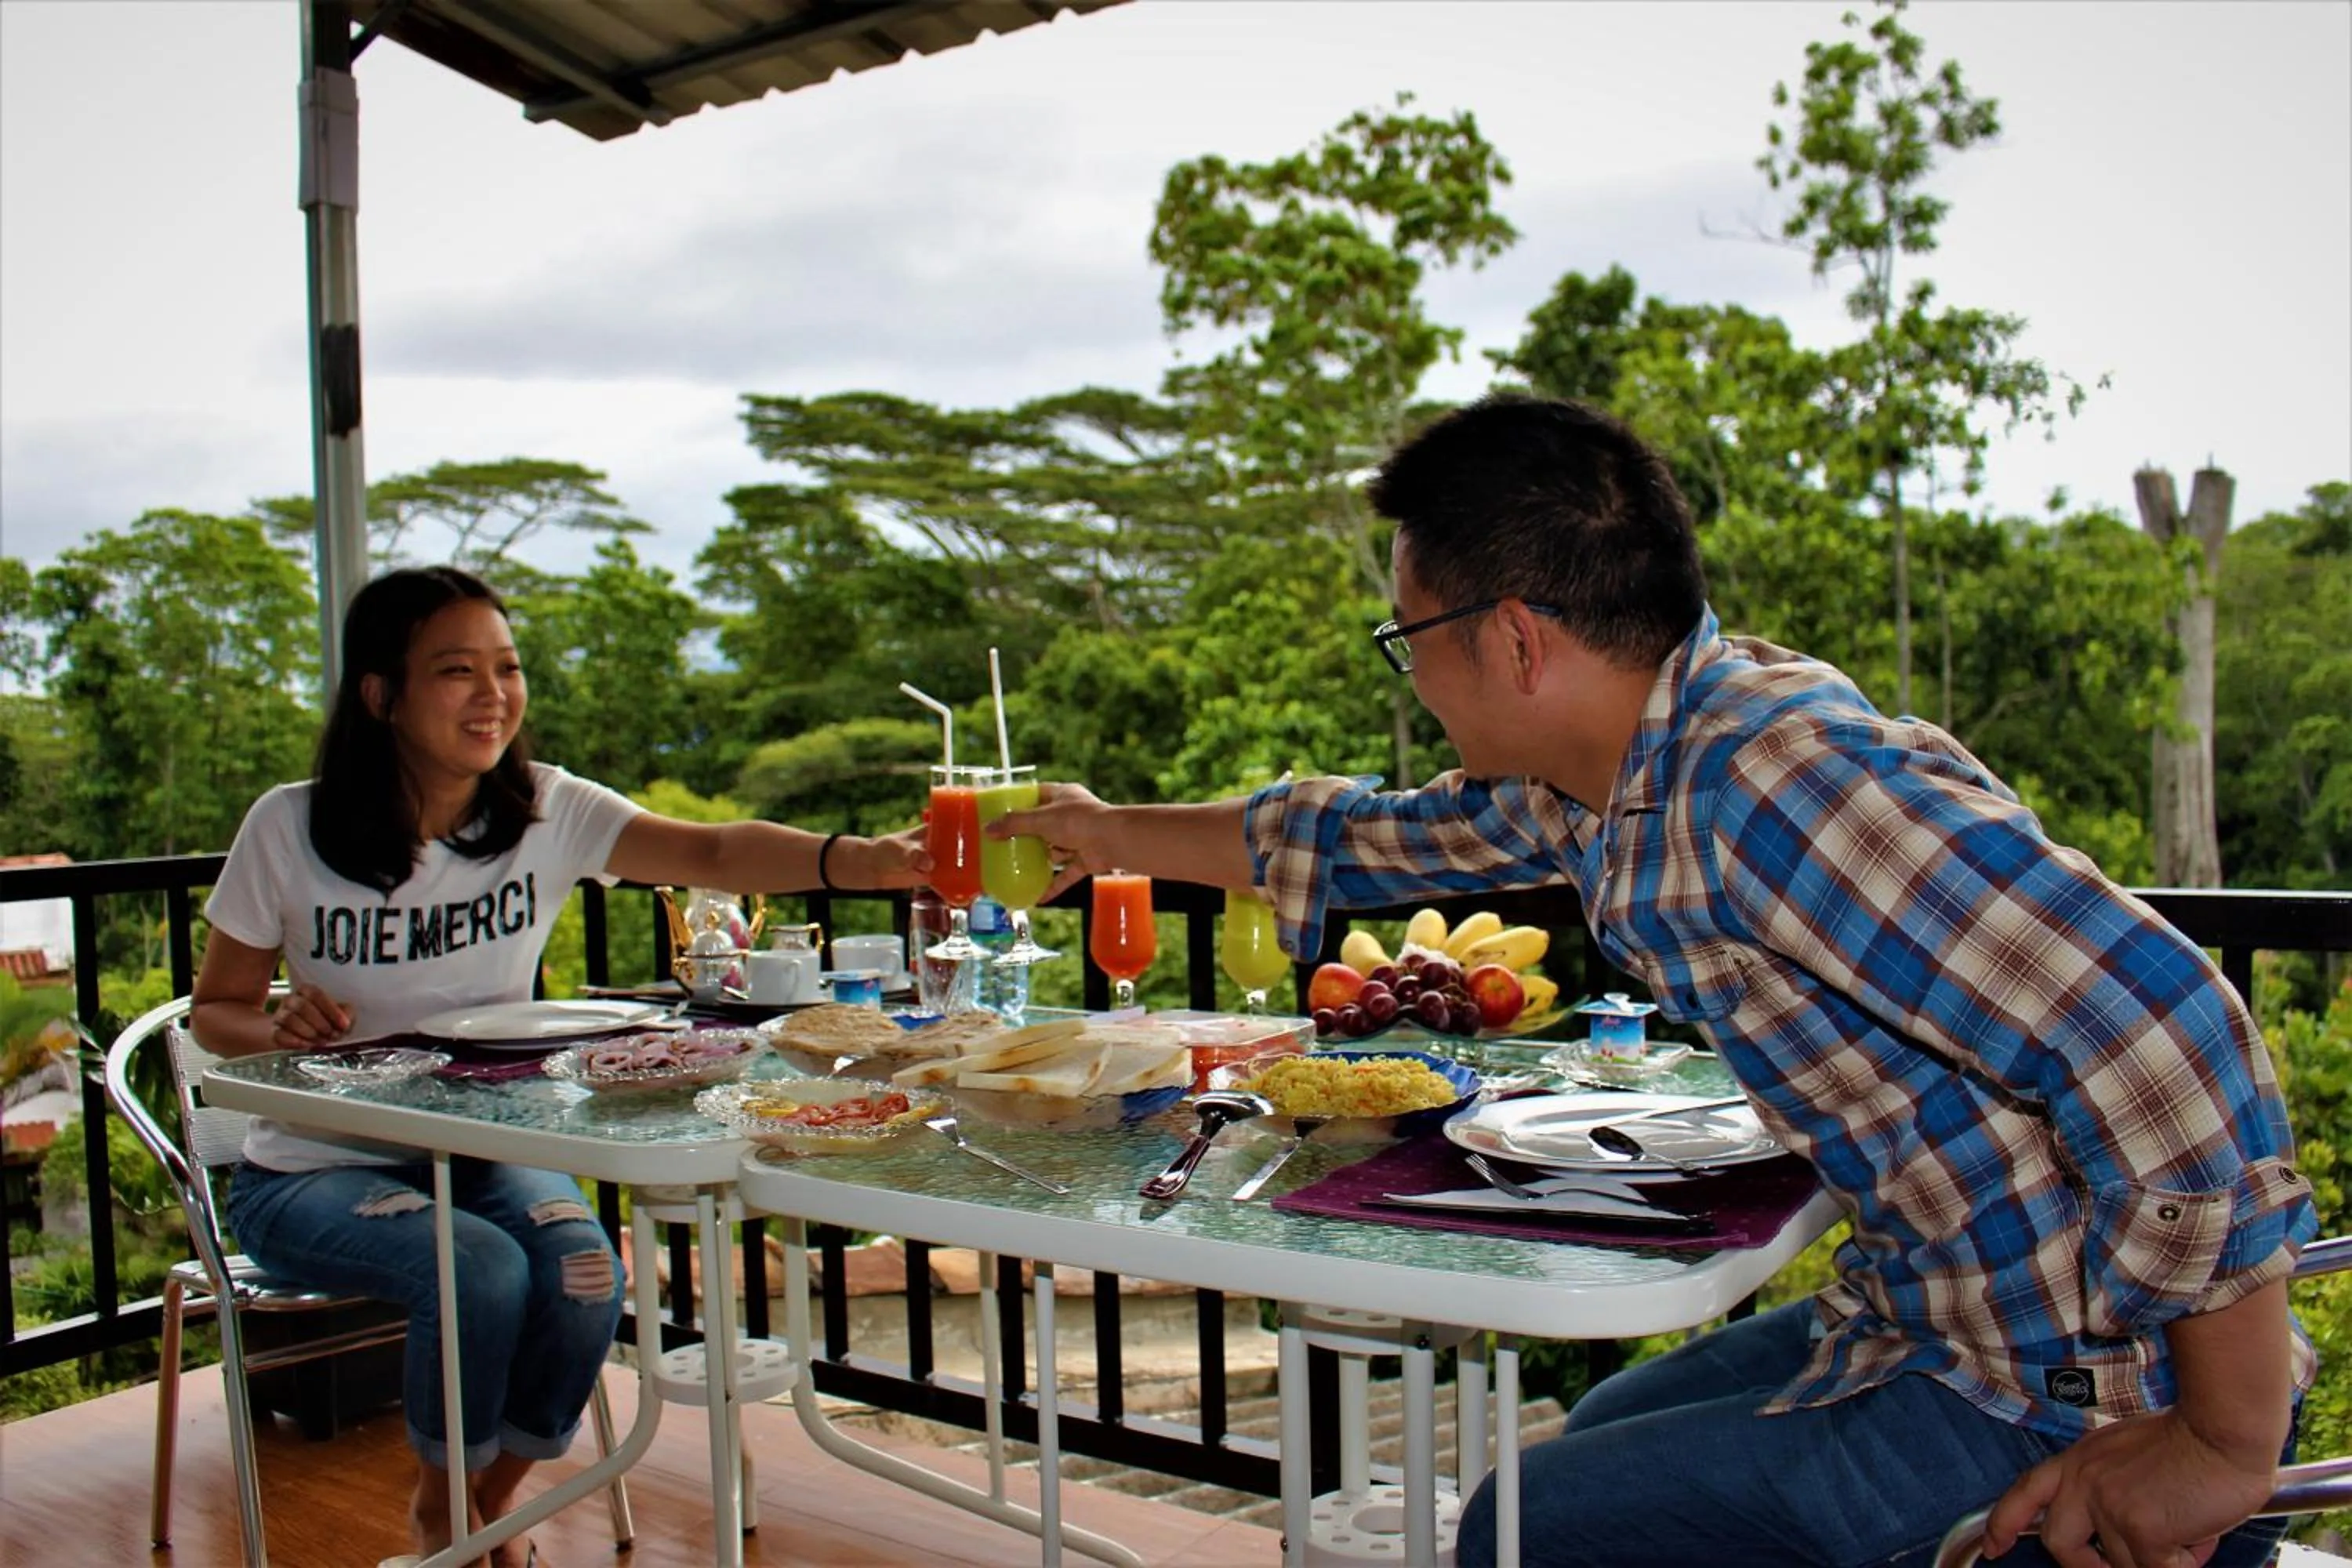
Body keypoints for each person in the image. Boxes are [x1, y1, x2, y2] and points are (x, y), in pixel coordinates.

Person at [993, 394, 2316, 1568]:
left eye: (1411, 640)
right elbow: (1361, 837)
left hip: (2057, 1379)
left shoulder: (1765, 784)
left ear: (1511, 639)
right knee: (1607, 1427)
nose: (1416, 682)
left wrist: (2221, 1438)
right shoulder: (1622, 774)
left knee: (1528, 1525)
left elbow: (2165, 1024)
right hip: (1930, 1313)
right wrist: (1110, 833)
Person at [191, 565, 928, 1568]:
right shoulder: (289, 826)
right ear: (381, 694)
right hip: (316, 1168)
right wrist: (277, 1024)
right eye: (457, 670)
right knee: (479, 1268)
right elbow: (216, 1011)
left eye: (508, 665)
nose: (493, 692)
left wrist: (864, 859)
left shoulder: (543, 807)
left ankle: (486, 1507)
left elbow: (709, 852)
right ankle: (445, 1519)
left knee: (588, 1271)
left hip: (486, 1148)